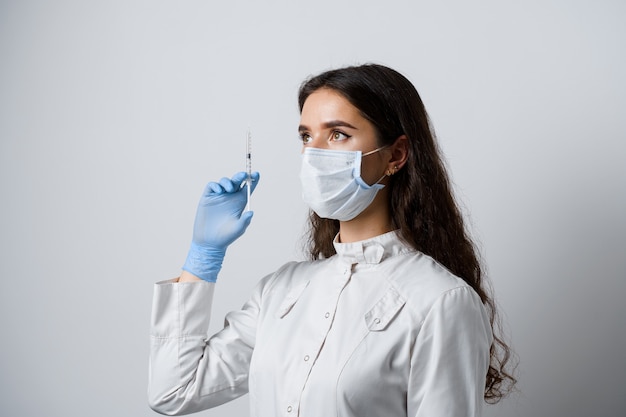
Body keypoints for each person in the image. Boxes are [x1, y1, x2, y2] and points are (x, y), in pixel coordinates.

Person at [148, 63, 516, 417]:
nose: (314, 154)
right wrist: (203, 257)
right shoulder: (280, 291)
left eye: (338, 134)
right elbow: (173, 392)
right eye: (307, 136)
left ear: (396, 154)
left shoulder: (439, 301)